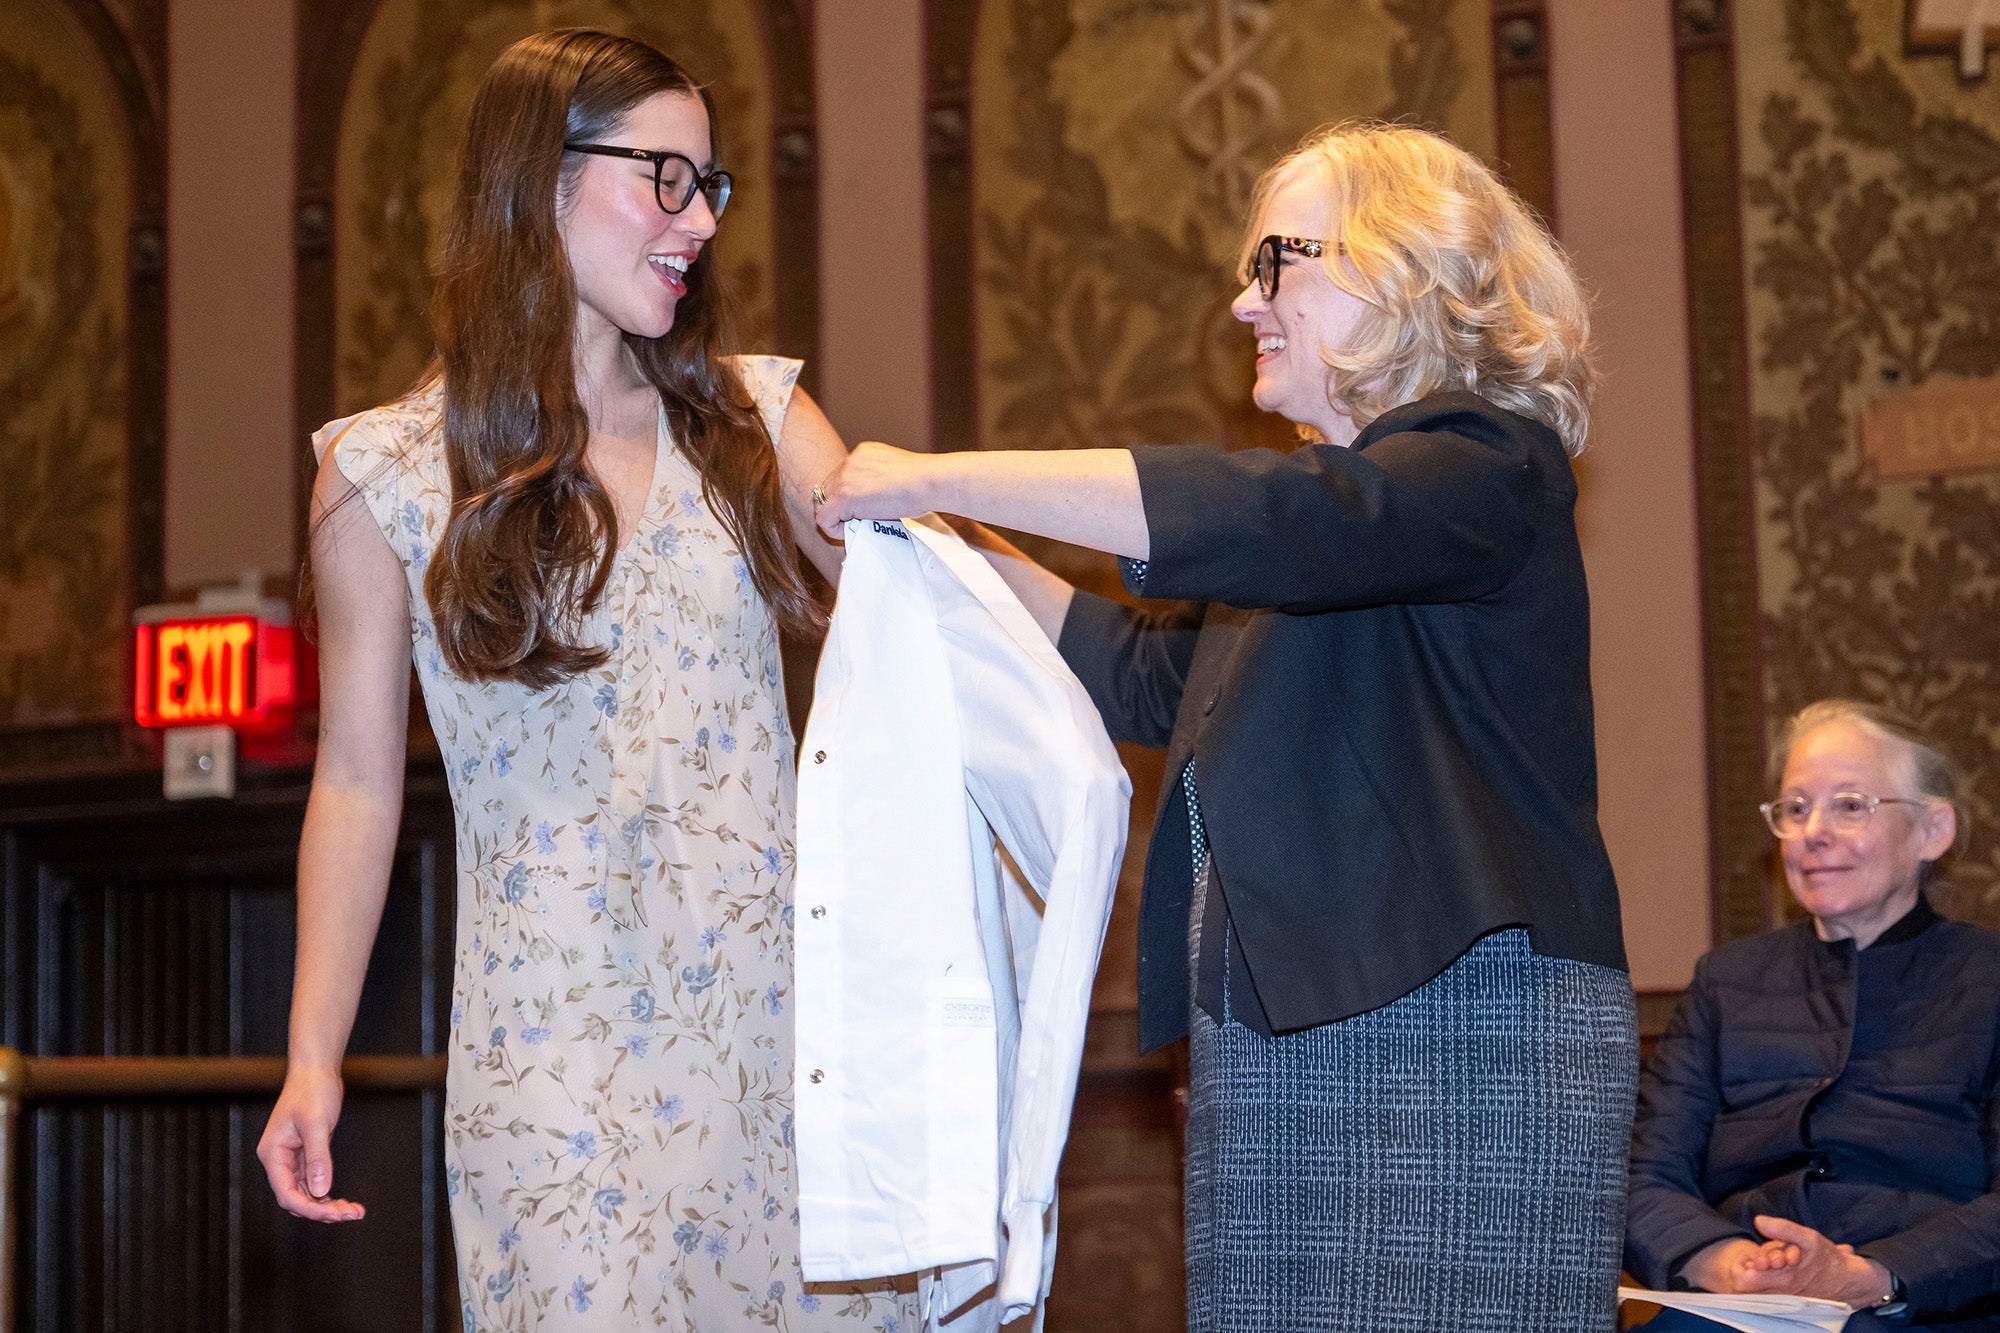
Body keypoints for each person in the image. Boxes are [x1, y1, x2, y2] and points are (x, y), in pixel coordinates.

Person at [815, 121, 1637, 1332]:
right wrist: (931, 543)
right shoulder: (1309, 532)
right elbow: (1138, 672)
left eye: (1276, 264)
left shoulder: (1485, 467)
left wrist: (940, 474)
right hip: (1267, 1037)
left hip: (1460, 1036)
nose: (1240, 302)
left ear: (1400, 267)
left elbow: (1288, 519)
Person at [255, 29, 918, 1330]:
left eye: (710, 185)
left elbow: (919, 610)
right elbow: (354, 783)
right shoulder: (381, 474)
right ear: (533, 179)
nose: (698, 220)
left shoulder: (755, 417)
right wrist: (310, 1055)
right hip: (553, 1059)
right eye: (663, 176)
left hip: (786, 1046)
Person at [1626, 700, 2000, 1331]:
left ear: (1933, 830)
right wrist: (1721, 1258)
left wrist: (1877, 1274)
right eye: (1796, 808)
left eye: (1851, 805)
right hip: (1739, 1309)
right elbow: (1647, 1172)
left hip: (1926, 1309)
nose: (1813, 831)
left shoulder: (1988, 979)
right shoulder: (1728, 981)